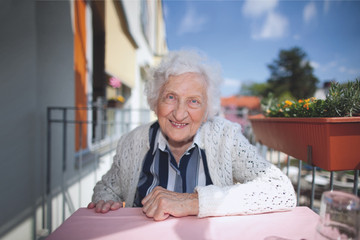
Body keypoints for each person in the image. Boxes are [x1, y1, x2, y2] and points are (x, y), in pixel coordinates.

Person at [87, 50, 297, 220]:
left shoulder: (226, 138)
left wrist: (193, 202)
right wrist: (106, 201)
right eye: (170, 97)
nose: (179, 113)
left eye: (193, 101)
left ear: (207, 110)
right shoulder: (131, 142)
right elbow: (106, 188)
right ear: (154, 101)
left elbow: (280, 190)